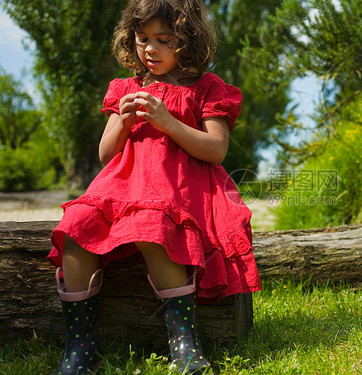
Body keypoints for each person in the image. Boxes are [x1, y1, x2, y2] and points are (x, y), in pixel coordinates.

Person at [47, 0, 261, 373]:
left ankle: (184, 345)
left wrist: (168, 122)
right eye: (142, 38)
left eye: (164, 39)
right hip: (122, 186)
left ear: (188, 39)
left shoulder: (207, 87)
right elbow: (104, 153)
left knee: (152, 226)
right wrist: (124, 124)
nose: (150, 48)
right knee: (76, 229)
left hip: (177, 187)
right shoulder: (125, 87)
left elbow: (216, 149)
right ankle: (81, 349)